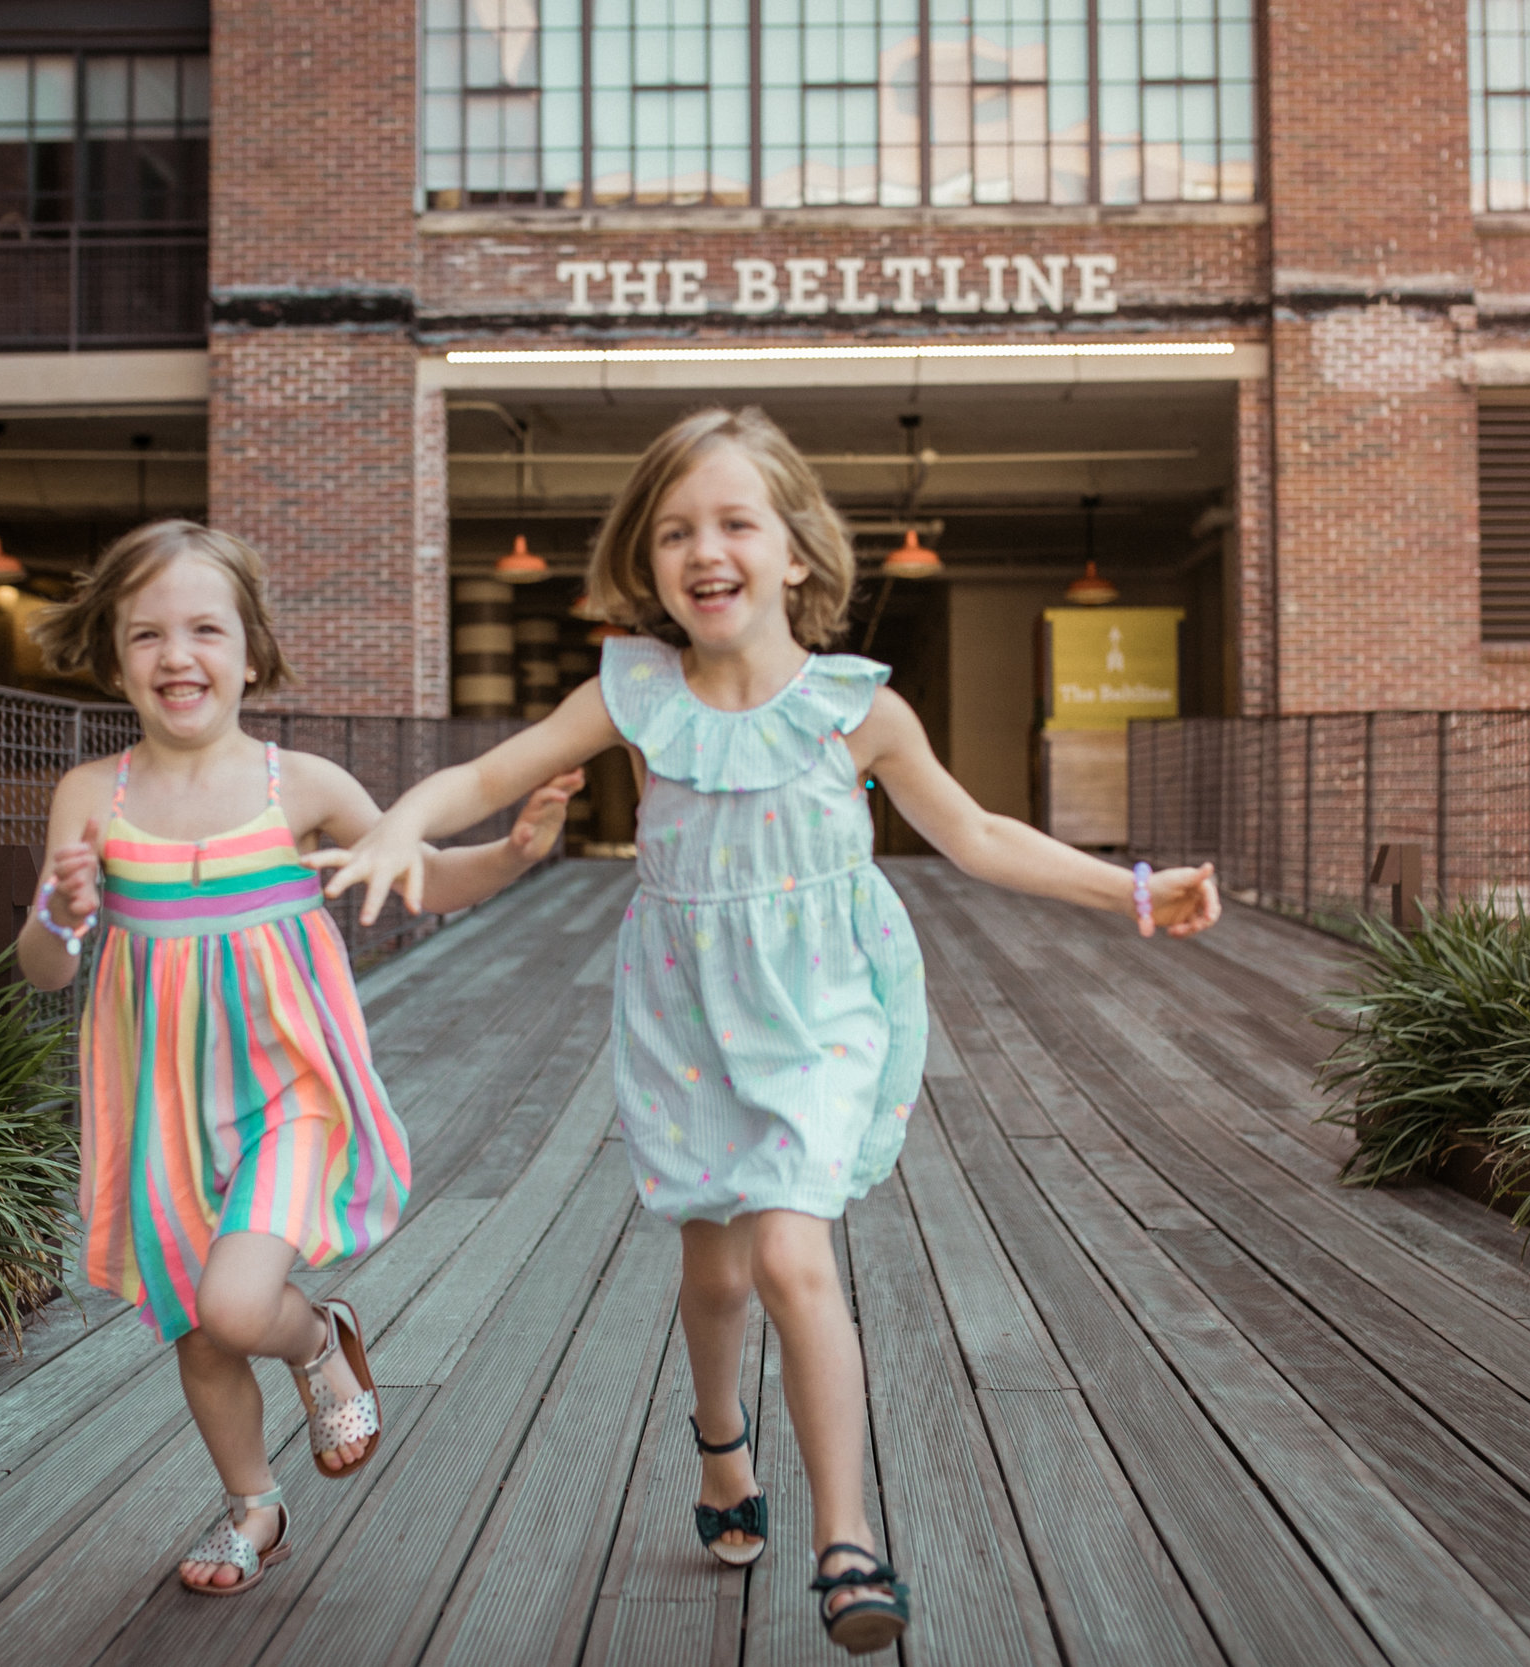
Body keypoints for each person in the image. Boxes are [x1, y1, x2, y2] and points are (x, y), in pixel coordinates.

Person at [314, 407, 1219, 1656]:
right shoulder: (632, 691)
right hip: (688, 1017)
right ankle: (720, 1438)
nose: (706, 547)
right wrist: (398, 825)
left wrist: (1128, 886)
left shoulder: (859, 711)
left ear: (796, 552)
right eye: (677, 528)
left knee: (793, 1255)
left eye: (736, 521)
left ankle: (846, 1545)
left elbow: (979, 836)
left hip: (822, 1015)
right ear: (650, 560)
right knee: (717, 1273)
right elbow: (484, 774)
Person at [18, 519, 577, 1596]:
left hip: (287, 1092)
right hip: (157, 1110)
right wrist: (57, 907)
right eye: (146, 634)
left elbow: (417, 880)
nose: (177, 654)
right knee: (197, 1328)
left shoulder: (302, 785)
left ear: (251, 649)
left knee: (238, 1305)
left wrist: (508, 854)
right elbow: (45, 967)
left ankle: (319, 1336)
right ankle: (254, 1506)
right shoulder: (93, 796)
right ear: (112, 652)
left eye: (203, 629)